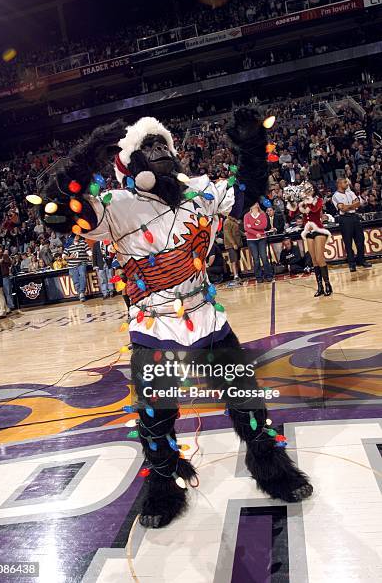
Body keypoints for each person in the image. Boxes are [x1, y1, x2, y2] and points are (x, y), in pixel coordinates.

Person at [32, 111, 312, 530]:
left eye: (163, 144)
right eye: (149, 148)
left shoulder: (199, 191)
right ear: (130, 165)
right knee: (156, 415)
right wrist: (85, 156)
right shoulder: (116, 207)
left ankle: (270, 467)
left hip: (207, 316)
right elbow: (56, 211)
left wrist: (251, 145)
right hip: (152, 325)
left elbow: (248, 190)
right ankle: (164, 485)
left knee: (246, 401)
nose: (160, 152)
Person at [286, 182, 332, 296]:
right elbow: (292, 214)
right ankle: (320, 286)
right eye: (305, 189)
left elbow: (315, 209)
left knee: (320, 258)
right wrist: (291, 201)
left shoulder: (318, 200)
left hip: (319, 230)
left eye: (308, 188)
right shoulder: (302, 202)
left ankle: (327, 284)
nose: (306, 190)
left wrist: (307, 199)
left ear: (313, 189)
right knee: (314, 260)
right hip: (308, 232)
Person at [332, 177, 372, 272]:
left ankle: (361, 260)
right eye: (345, 182)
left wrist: (348, 206)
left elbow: (358, 204)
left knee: (360, 239)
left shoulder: (350, 192)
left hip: (354, 216)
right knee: (348, 242)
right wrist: (351, 206)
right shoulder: (335, 196)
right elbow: (342, 209)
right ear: (339, 184)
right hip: (344, 219)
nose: (347, 184)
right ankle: (351, 263)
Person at [244, 202, 273, 283]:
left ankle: (269, 275)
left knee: (264, 257)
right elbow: (246, 228)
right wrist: (256, 233)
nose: (254, 204)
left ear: (257, 204)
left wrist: (252, 226)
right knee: (256, 259)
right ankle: (258, 277)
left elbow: (264, 226)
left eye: (255, 203)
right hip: (251, 240)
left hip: (262, 238)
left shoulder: (262, 214)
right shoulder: (246, 216)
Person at [65, 234, 89, 301]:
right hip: (72, 266)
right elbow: (63, 256)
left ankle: (81, 292)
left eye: (77, 235)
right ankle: (80, 294)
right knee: (76, 281)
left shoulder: (83, 243)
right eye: (74, 236)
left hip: (81, 263)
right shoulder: (68, 244)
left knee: (83, 276)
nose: (76, 237)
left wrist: (91, 256)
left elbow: (89, 252)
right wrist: (70, 257)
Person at [223, 214, 242, 282]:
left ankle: (238, 273)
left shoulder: (234, 221)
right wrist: (233, 243)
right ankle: (235, 275)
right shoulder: (227, 222)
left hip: (237, 243)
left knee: (237, 259)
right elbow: (227, 234)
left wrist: (244, 234)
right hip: (231, 245)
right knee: (233, 260)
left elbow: (238, 231)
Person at [0, 245, 15, 311]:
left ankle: (11, 306)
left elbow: (9, 264)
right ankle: (4, 307)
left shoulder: (5, 256)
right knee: (0, 294)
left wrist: (3, 261)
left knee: (8, 292)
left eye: (1, 249)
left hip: (5, 277)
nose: (0, 250)